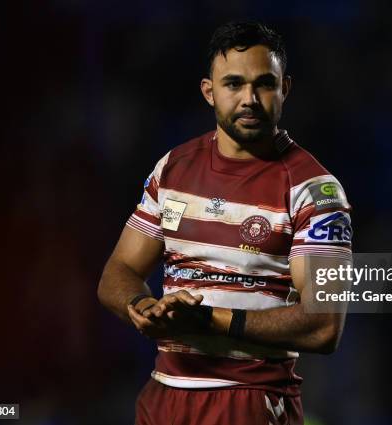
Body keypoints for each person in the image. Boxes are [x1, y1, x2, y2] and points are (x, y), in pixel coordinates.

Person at [97, 21, 352, 425]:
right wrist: (142, 307)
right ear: (208, 91)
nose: (249, 98)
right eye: (233, 84)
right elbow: (119, 270)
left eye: (264, 84)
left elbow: (324, 325)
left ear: (285, 88)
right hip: (162, 397)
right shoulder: (173, 167)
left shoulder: (313, 190)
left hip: (249, 401)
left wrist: (208, 319)